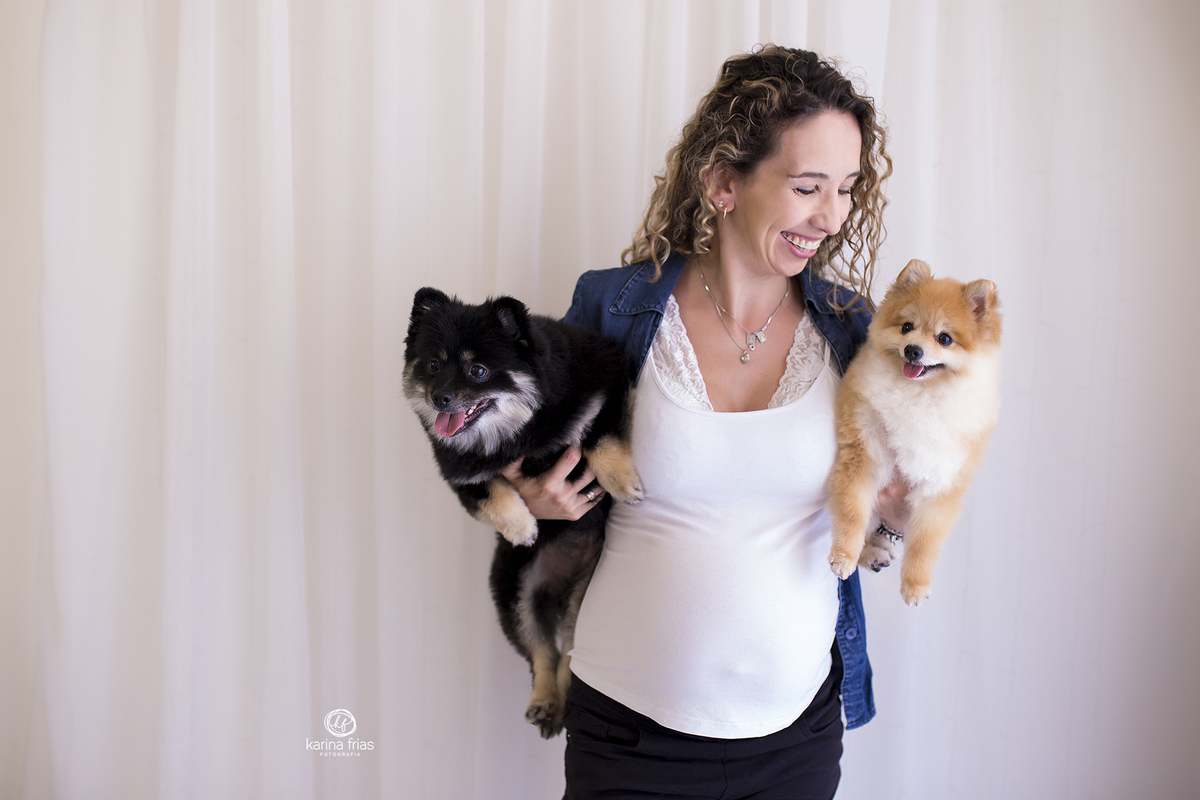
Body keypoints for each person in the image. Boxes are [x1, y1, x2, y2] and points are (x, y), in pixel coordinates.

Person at [501, 45, 902, 800]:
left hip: (798, 741)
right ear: (724, 182)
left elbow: (894, 498)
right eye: (808, 186)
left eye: (847, 189)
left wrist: (903, 509)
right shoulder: (614, 307)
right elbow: (521, 459)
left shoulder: (855, 329)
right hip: (627, 738)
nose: (833, 215)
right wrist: (535, 503)